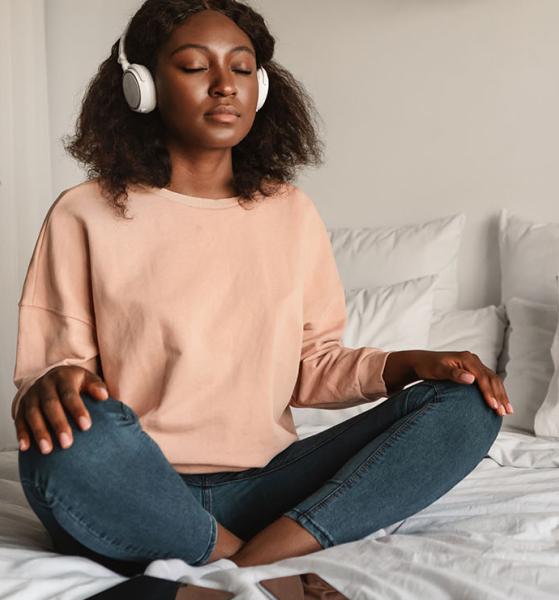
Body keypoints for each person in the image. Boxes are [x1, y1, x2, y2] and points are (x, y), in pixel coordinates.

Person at [12, 0, 510, 578]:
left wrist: (406, 364)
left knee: (471, 402)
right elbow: (51, 377)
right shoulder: (85, 213)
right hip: (138, 480)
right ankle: (238, 556)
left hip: (267, 486)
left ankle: (250, 551)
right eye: (196, 67)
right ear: (141, 86)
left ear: (263, 86)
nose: (225, 86)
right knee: (68, 447)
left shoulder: (290, 212)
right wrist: (56, 383)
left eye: (242, 68)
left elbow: (310, 366)